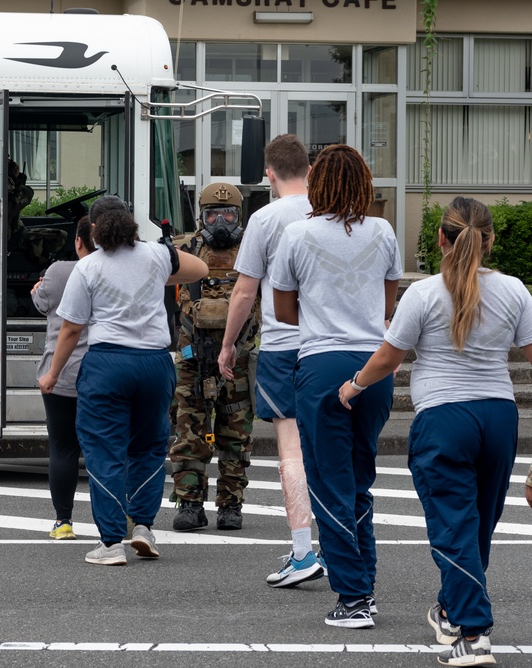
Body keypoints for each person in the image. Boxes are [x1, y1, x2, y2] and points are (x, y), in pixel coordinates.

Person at [338, 197, 532, 665]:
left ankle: (473, 632)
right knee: (478, 525)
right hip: (499, 417)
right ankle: (450, 609)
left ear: (441, 239)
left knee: (453, 525)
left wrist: (354, 384)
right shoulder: (516, 291)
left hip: (445, 418)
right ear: (490, 241)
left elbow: (389, 358)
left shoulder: (423, 294)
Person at [270, 144, 402, 630]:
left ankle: (354, 598)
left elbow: (284, 311)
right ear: (363, 184)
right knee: (358, 479)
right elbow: (387, 306)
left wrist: (325, 313)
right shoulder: (384, 231)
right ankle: (363, 583)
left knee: (328, 484)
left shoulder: (297, 233)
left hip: (321, 363)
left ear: (317, 183)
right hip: (374, 365)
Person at [38, 195, 208, 566]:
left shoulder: (90, 267)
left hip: (107, 365)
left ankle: (112, 542)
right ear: (130, 223)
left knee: (104, 452)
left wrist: (52, 374)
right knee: (148, 447)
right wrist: (163, 270)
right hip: (154, 363)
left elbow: (70, 330)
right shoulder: (156, 255)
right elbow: (200, 270)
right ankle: (144, 527)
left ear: (94, 229)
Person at [217, 134, 325, 585]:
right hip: (335, 346)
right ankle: (347, 548)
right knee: (337, 447)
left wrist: (228, 344)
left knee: (291, 448)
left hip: (283, 345)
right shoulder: (338, 213)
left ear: (270, 173)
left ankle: (303, 551)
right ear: (310, 169)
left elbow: (244, 290)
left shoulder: (265, 218)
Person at [168, 182, 255, 532]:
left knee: (235, 433)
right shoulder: (184, 249)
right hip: (193, 358)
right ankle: (189, 503)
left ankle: (230, 505)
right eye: (213, 214)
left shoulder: (254, 249)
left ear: (239, 215)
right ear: (201, 216)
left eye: (228, 214)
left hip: (238, 358)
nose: (221, 221)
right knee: (189, 430)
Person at [31, 215, 96, 540]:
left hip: (61, 375)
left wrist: (36, 292)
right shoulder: (111, 271)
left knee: (63, 448)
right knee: (105, 450)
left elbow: (42, 303)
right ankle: (119, 520)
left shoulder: (58, 271)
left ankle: (64, 522)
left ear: (79, 241)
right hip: (101, 372)